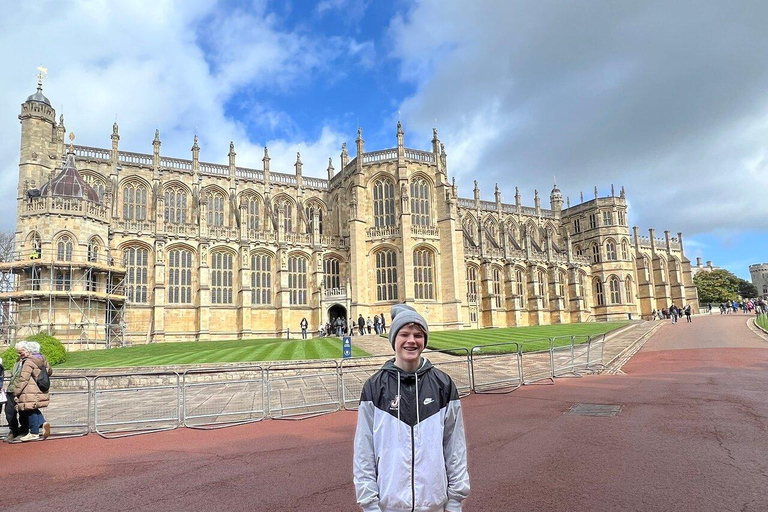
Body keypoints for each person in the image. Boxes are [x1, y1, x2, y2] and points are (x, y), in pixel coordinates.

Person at [354, 305, 470, 512]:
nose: (411, 341)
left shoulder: (443, 384)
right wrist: (369, 504)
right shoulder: (374, 387)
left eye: (418, 335)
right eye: (404, 334)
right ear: (393, 340)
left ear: (424, 340)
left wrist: (455, 500)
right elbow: (364, 451)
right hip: (389, 506)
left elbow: (455, 447)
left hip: (434, 503)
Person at [12, 341, 52, 442]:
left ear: (29, 351)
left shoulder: (29, 361)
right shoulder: (42, 359)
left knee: (30, 409)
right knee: (34, 408)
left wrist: (16, 392)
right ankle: (43, 423)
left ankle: (34, 432)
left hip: (30, 389)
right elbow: (50, 371)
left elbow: (23, 378)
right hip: (41, 388)